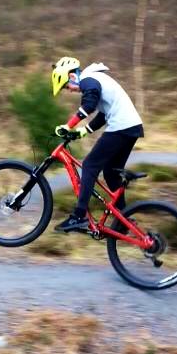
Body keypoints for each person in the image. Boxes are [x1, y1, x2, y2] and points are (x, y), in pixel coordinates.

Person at [51, 56, 144, 233]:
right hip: (131, 128)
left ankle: (79, 216)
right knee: (110, 172)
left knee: (89, 165)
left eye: (66, 86)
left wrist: (68, 125)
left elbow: (89, 105)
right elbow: (102, 115)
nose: (69, 90)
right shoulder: (95, 79)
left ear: (71, 76)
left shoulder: (88, 79)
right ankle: (124, 219)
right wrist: (81, 131)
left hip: (121, 127)